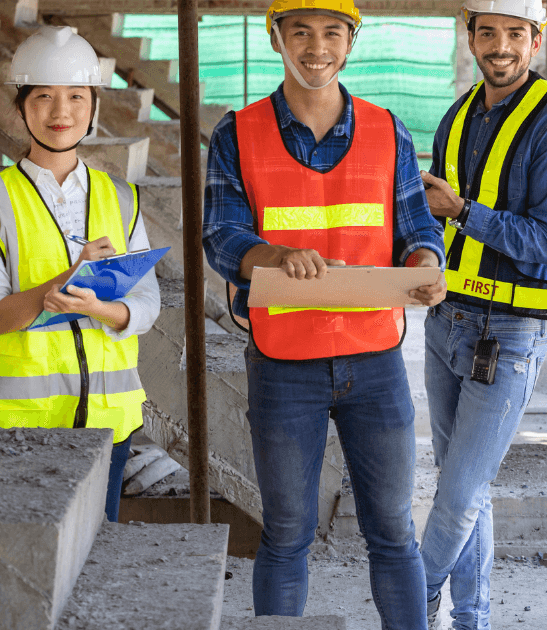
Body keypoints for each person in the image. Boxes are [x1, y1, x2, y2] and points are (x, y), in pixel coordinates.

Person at [201, 1, 447, 626]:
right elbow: (220, 235)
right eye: (301, 31)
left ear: (351, 40)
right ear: (277, 36)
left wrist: (424, 265)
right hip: (285, 365)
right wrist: (272, 254)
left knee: (393, 532)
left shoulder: (389, 130)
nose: (317, 47)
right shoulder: (238, 133)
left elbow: (418, 228)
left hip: (376, 361)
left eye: (332, 32)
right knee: (286, 534)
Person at [417, 1, 547, 627]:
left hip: (511, 332)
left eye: (515, 34)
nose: (501, 47)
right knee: (460, 492)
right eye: (488, 33)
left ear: (537, 39)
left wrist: (463, 211)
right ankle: (471, 620)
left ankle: (406, 605)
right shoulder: (459, 113)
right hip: (448, 321)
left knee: (460, 495)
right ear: (470, 38)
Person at [0, 25, 161, 523]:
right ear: (21, 106)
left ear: (93, 106)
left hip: (110, 421)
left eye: (75, 97)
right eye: (43, 96)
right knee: (29, 562)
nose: (61, 112)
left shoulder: (122, 198)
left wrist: (100, 307)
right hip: (22, 424)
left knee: (95, 558)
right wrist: (57, 286)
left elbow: (146, 303)